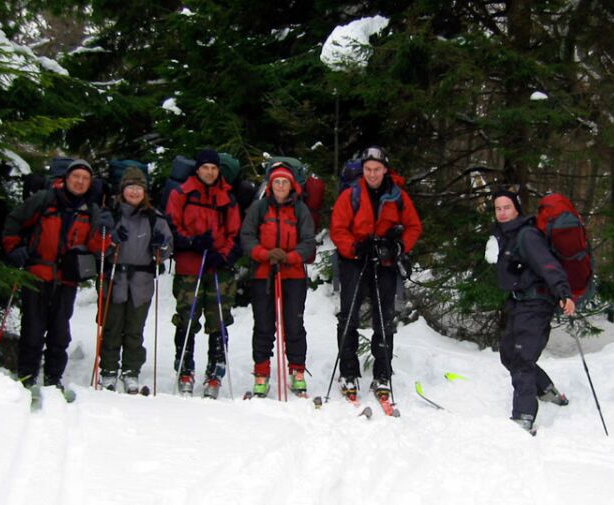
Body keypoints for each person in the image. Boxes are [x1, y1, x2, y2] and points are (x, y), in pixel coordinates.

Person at [2, 159, 111, 393]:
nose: (80, 182)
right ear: (67, 178)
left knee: (60, 332)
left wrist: (105, 231)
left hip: (67, 279)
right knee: (32, 328)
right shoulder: (44, 200)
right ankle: (27, 375)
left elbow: (99, 248)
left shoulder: (91, 211)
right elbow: (15, 221)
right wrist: (14, 248)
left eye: (85, 179)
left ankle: (53, 378)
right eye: (76, 177)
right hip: (37, 272)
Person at [329, 146, 422, 400]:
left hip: (385, 261)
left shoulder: (397, 195)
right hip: (355, 260)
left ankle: (383, 373)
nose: (372, 174)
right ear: (363, 170)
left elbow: (414, 226)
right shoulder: (351, 194)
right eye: (368, 169)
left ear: (385, 169)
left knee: (385, 318)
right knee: (349, 315)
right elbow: (337, 227)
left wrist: (398, 245)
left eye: (377, 169)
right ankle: (348, 372)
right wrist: (354, 247)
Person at [491, 189, 575, 433]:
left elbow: (548, 264)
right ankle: (546, 390)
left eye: (507, 207)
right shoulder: (507, 234)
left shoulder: (527, 235)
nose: (502, 213)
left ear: (516, 208)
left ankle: (523, 416)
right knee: (508, 352)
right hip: (520, 302)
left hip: (537, 303)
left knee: (522, 358)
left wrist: (563, 292)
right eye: (498, 208)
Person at [165, 149, 241, 398]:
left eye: (214, 168)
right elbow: (171, 226)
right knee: (187, 318)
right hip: (190, 266)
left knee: (218, 319)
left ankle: (215, 370)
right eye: (205, 167)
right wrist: (191, 242)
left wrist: (224, 254)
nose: (210, 172)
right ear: (197, 169)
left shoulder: (227, 196)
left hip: (218, 268)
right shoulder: (182, 193)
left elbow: (234, 232)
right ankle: (185, 368)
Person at [240, 162, 316, 397]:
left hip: (293, 274)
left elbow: (308, 241)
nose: (281, 185)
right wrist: (265, 254)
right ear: (270, 185)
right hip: (264, 274)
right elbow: (247, 237)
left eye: (285, 182)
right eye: (277, 182)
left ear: (291, 185)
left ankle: (297, 371)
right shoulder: (259, 208)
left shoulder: (300, 210)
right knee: (263, 324)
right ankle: (261, 372)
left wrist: (291, 256)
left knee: (293, 324)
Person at [98, 167, 173, 394]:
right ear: (123, 190)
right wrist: (110, 241)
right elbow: (97, 245)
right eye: (130, 187)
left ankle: (131, 370)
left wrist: (161, 246)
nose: (134, 192)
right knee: (112, 326)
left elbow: (167, 248)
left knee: (134, 329)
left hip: (141, 280)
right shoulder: (111, 214)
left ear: (145, 192)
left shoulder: (154, 218)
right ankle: (109, 369)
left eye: (138, 188)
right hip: (115, 277)